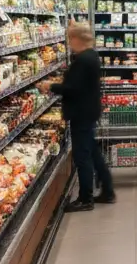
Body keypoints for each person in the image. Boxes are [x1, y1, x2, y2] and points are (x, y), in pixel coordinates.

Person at [49, 23, 114, 211]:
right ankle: (108, 190)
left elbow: (73, 90)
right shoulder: (92, 55)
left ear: (77, 39)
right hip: (89, 111)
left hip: (82, 113)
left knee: (82, 157)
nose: (69, 43)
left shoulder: (83, 60)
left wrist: (51, 87)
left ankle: (86, 199)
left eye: (70, 39)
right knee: (93, 152)